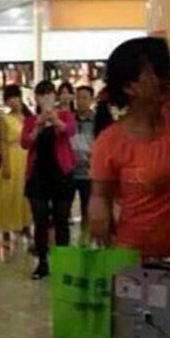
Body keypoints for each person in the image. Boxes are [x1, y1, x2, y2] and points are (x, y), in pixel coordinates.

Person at [89, 36, 170, 260]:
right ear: (129, 86)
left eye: (165, 69)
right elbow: (100, 196)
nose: (165, 78)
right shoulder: (110, 141)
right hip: (136, 261)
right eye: (155, 71)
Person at [21, 80, 76, 279]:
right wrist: (38, 124)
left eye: (49, 94)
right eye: (41, 94)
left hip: (62, 174)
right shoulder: (30, 119)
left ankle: (63, 262)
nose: (45, 98)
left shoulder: (64, 114)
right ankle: (43, 262)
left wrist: (54, 119)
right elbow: (25, 143)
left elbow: (69, 131)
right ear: (35, 97)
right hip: (38, 174)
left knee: (62, 219)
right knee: (40, 220)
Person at [0, 85, 32, 247]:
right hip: (11, 156)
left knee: (26, 195)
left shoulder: (29, 118)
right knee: (9, 194)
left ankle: (26, 226)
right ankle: (6, 229)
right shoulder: (4, 118)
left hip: (27, 157)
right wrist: (6, 163)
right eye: (10, 99)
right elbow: (2, 141)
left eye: (16, 98)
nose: (13, 102)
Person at [71, 85, 95, 238]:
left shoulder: (97, 121)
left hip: (89, 172)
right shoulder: (68, 120)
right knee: (64, 208)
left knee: (88, 208)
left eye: (85, 98)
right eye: (78, 98)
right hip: (70, 171)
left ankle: (85, 238)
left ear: (91, 100)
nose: (81, 101)